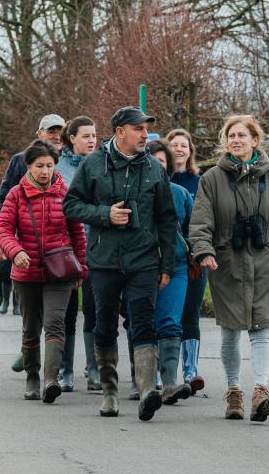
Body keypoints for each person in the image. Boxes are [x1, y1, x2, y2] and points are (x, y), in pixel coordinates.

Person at [190, 115, 269, 423]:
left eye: (242, 135)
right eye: (231, 135)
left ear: (255, 140)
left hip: (266, 264)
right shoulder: (212, 180)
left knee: (261, 329)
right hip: (227, 264)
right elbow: (201, 221)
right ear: (226, 141)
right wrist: (203, 251)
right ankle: (234, 391)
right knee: (231, 331)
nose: (236, 140)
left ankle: (261, 389)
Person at [64, 106, 178, 421]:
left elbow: (168, 219)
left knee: (143, 323)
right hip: (103, 261)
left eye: (146, 130)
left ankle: (146, 392)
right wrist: (104, 215)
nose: (145, 135)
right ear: (120, 132)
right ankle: (110, 392)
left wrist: (166, 264)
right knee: (104, 326)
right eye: (138, 129)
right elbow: (71, 206)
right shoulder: (93, 164)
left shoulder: (154, 168)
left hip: (143, 260)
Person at [0, 140, 88, 403]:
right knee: (31, 328)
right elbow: (2, 228)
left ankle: (51, 379)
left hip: (59, 272)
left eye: (49, 165)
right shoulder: (16, 194)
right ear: (29, 167)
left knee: (55, 323)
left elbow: (77, 233)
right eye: (39, 166)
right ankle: (33, 377)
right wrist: (15, 251)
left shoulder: (65, 192)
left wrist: (81, 268)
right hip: (26, 272)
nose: (45, 171)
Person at [0, 113, 67, 371]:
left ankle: (57, 369)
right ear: (39, 134)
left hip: (61, 251)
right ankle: (30, 353)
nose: (56, 136)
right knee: (32, 314)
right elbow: (3, 201)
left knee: (58, 314)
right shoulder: (19, 162)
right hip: (26, 248)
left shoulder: (72, 159)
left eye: (59, 131)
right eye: (51, 131)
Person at [146, 139, 195, 406]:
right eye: (151, 160)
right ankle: (143, 381)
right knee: (141, 323)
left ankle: (169, 384)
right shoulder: (135, 192)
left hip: (176, 266)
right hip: (141, 266)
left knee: (170, 322)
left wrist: (195, 250)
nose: (156, 165)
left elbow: (191, 229)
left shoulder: (180, 194)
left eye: (161, 161)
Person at [55, 116, 98, 392]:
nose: (92, 140)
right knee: (67, 313)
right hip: (66, 250)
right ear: (72, 139)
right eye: (86, 136)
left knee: (94, 310)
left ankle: (94, 367)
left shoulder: (102, 166)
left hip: (96, 247)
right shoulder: (57, 169)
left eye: (94, 135)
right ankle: (64, 369)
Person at [166, 128, 207, 394]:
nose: (179, 149)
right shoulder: (158, 181)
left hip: (194, 260)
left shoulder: (201, 182)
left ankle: (191, 371)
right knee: (169, 315)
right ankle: (163, 372)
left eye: (184, 145)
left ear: (190, 152)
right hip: (167, 259)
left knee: (190, 312)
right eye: (174, 144)